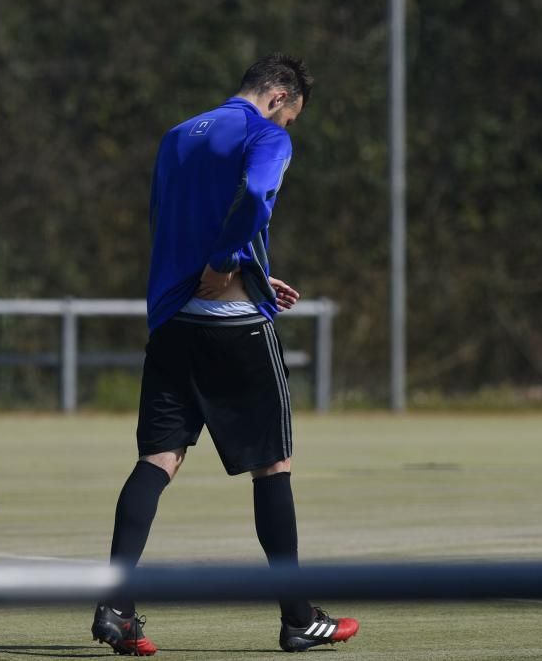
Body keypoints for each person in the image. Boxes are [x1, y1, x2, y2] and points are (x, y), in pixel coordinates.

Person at [90, 54, 359, 656]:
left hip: (173, 325)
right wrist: (229, 262)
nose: (288, 130)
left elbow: (170, 227)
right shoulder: (266, 135)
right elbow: (257, 193)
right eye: (292, 119)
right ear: (279, 99)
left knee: (157, 460)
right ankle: (296, 617)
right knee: (274, 467)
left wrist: (252, 274)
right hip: (234, 330)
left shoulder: (178, 135)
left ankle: (115, 606)